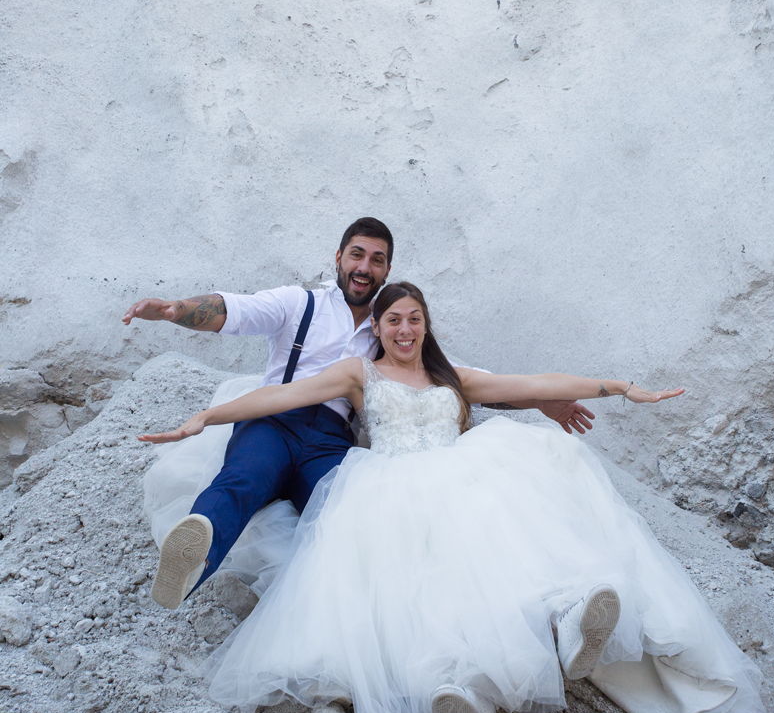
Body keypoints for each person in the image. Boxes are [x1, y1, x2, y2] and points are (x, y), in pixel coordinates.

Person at [139, 282, 768, 713]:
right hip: (388, 486)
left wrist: (617, 386)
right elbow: (283, 395)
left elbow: (530, 382)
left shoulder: (452, 377)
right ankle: (462, 693)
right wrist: (208, 418)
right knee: (424, 583)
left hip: (459, 475)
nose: (405, 329)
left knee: (520, 515)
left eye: (415, 320)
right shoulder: (358, 373)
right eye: (394, 320)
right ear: (377, 330)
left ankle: (574, 622)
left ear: (426, 326)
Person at [124, 218, 595, 608]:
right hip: (274, 421)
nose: (364, 267)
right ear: (338, 258)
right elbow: (236, 310)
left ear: (387, 269)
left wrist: (541, 399)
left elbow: (452, 379)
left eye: (376, 259)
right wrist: (176, 309)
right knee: (243, 480)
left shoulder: (392, 324)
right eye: (356, 254)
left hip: (331, 439)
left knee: (347, 514)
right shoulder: (299, 302)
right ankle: (191, 563)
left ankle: (367, 611)